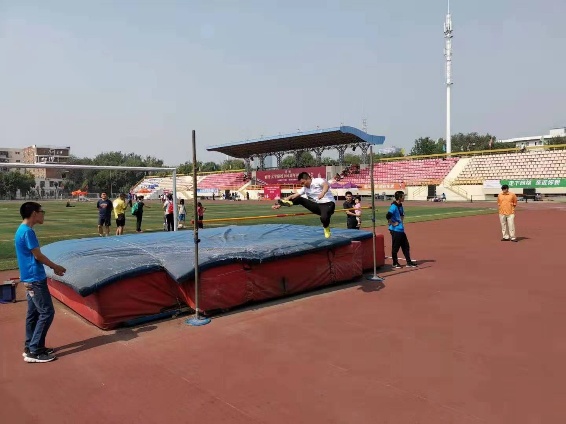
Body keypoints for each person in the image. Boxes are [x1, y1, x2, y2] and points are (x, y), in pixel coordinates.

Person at [15, 202, 66, 363]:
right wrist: (55, 267)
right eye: (41, 211)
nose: (43, 214)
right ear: (34, 213)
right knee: (47, 312)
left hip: (29, 277)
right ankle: (35, 350)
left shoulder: (21, 230)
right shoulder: (28, 232)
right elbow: (38, 255)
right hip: (35, 278)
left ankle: (31, 346)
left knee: (34, 313)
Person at [272, 171, 336, 238]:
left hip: (328, 204)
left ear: (308, 178)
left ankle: (326, 228)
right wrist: (280, 204)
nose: (303, 185)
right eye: (301, 183)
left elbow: (326, 185)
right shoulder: (305, 188)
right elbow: (293, 196)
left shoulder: (317, 181)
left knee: (324, 218)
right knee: (300, 199)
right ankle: (290, 203)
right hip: (318, 206)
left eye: (303, 182)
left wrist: (322, 193)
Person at [386, 191, 417, 269]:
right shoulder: (393, 206)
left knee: (406, 246)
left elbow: (402, 215)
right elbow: (388, 216)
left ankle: (409, 262)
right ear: (399, 197)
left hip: (400, 229)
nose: (404, 198)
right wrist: (392, 223)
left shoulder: (400, 205)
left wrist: (401, 221)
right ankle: (395, 263)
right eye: (403, 196)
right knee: (395, 247)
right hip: (395, 230)